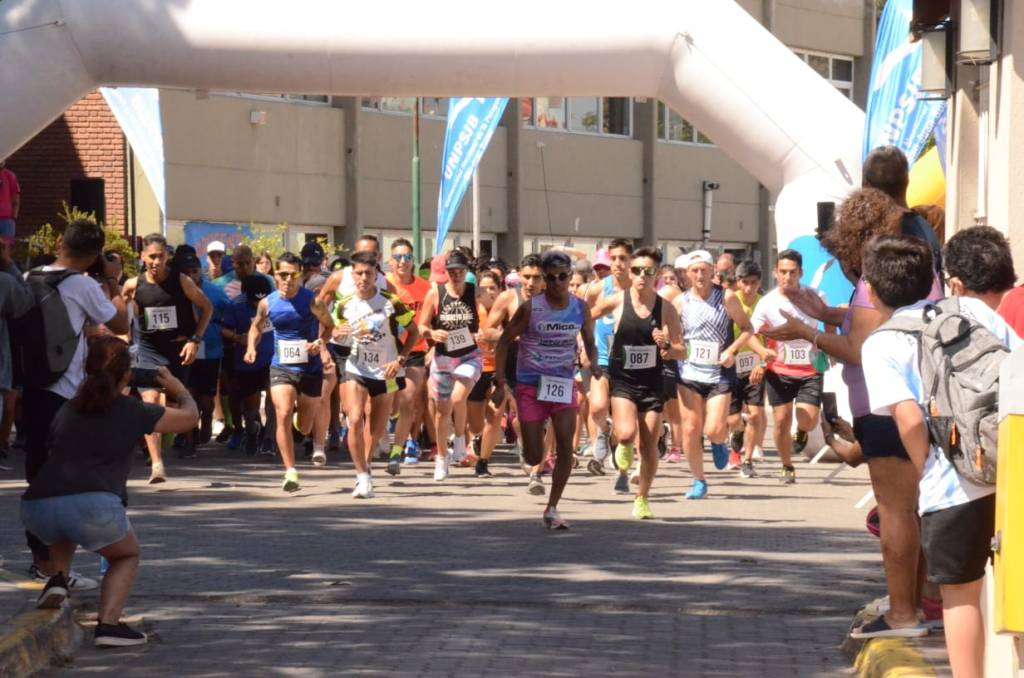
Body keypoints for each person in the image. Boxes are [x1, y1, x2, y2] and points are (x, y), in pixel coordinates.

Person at [762, 187, 938, 637]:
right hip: (910, 402)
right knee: (911, 513)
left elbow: (859, 348)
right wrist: (829, 313)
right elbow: (877, 322)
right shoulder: (916, 271)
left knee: (896, 513)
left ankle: (902, 613)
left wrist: (807, 330)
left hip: (885, 407)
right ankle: (909, 604)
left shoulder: (874, 277)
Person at [858, 234, 1021, 667]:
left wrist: (928, 467)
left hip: (953, 484)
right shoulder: (969, 309)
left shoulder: (881, 342)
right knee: (1018, 590)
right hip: (1011, 469)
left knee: (961, 595)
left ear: (871, 291)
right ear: (934, 280)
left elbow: (909, 420)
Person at [20, 336, 198, 647]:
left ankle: (58, 578)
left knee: (66, 523)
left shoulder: (68, 409)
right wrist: (177, 388)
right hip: (94, 506)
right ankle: (109, 625)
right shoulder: (133, 409)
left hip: (37, 507)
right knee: (127, 555)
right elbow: (190, 418)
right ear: (127, 374)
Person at [21, 220, 129, 589]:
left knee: (36, 473)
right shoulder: (82, 283)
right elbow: (120, 320)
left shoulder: (28, 276)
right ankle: (59, 569)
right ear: (94, 255)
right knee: (67, 480)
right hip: (66, 392)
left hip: (31, 386)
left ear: (58, 242)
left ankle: (43, 562)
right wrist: (112, 279)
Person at [493, 251, 598, 529]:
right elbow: (503, 342)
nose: (557, 282)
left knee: (565, 443)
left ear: (571, 276)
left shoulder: (580, 308)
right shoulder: (531, 308)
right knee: (534, 456)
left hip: (562, 384)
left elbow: (590, 341)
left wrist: (594, 363)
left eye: (563, 276)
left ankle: (552, 506)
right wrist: (500, 381)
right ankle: (526, 445)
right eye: (550, 278)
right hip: (530, 385)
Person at [592, 247, 684, 518]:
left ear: (656, 275)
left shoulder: (665, 308)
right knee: (625, 433)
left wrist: (666, 345)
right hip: (623, 380)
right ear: (629, 273)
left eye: (648, 271)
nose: (642, 276)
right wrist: (583, 345)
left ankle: (642, 498)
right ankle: (621, 445)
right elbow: (586, 317)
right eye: (637, 270)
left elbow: (682, 350)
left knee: (649, 444)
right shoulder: (617, 301)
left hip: (652, 382)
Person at [664, 250, 754, 499]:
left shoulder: (726, 297)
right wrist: (666, 344)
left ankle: (717, 440)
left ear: (713, 271)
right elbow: (669, 332)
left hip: (719, 372)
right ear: (688, 274)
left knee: (713, 428)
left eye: (704, 270)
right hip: (689, 372)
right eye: (695, 271)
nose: (700, 275)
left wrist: (733, 349)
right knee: (691, 429)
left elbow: (748, 328)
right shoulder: (681, 302)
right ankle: (698, 480)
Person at [123, 234, 212, 483]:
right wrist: (122, 337)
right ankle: (157, 465)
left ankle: (187, 440)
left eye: (160, 257)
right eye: (151, 256)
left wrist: (195, 340)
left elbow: (207, 308)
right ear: (142, 257)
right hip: (148, 351)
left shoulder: (181, 281)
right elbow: (119, 312)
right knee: (151, 400)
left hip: (177, 349)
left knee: (175, 404)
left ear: (168, 257)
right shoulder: (133, 285)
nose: (155, 262)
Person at [333, 251, 418, 496]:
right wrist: (336, 335)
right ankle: (360, 475)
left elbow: (413, 331)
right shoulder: (344, 303)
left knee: (377, 428)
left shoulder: (391, 301)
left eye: (368, 273)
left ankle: (367, 466)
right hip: (355, 367)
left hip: (385, 370)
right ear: (352, 274)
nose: (363, 278)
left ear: (376, 275)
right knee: (356, 418)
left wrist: (401, 359)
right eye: (359, 273)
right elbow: (336, 331)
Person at [247, 252, 333, 491]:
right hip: (281, 366)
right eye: (283, 274)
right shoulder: (268, 303)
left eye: (292, 274)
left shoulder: (312, 301)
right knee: (282, 413)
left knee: (304, 426)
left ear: (299, 274)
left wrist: (319, 343)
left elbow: (330, 327)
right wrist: (251, 348)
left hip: (310, 368)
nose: (288, 279)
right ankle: (290, 471)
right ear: (275, 275)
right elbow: (255, 327)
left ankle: (302, 423)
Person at [749, 250, 825, 483]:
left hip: (810, 369)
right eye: (783, 272)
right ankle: (787, 465)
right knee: (781, 420)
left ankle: (802, 431)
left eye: (792, 272)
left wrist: (829, 348)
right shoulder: (767, 303)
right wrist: (762, 352)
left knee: (809, 419)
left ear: (801, 273)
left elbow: (829, 322)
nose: (787, 277)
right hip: (779, 371)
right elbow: (750, 334)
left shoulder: (814, 296)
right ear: (775, 272)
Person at [418, 250, 483, 481]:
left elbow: (490, 313)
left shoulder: (475, 292)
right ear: (446, 273)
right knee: (442, 411)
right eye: (451, 272)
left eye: (460, 272)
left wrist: (485, 331)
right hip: (443, 357)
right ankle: (442, 458)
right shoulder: (436, 293)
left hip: (469, 355)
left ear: (466, 273)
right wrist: (432, 333)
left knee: (458, 397)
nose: (455, 276)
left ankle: (460, 439)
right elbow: (422, 325)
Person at [481, 254, 545, 488]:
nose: (531, 283)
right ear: (519, 276)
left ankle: (535, 473)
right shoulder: (508, 298)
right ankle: (484, 459)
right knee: (505, 415)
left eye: (537, 278)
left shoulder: (555, 301)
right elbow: (487, 332)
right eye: (527, 277)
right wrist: (512, 336)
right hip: (512, 369)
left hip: (544, 369)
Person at [584, 238, 633, 470]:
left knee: (626, 420)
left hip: (629, 360)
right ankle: (603, 431)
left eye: (623, 258)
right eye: (613, 258)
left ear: (631, 260)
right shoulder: (597, 289)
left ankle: (616, 443)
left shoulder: (638, 288)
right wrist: (585, 347)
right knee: (596, 406)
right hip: (602, 356)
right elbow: (585, 320)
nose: (617, 263)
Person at [177, 252, 231, 457]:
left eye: (194, 271)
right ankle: (189, 438)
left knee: (206, 398)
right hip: (183, 348)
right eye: (186, 272)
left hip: (210, 348)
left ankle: (207, 418)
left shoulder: (215, 292)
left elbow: (230, 314)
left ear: (201, 271)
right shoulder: (176, 291)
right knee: (187, 394)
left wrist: (223, 330)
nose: (191, 276)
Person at [386, 238, 431, 467]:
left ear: (413, 261)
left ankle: (399, 448)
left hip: (414, 350)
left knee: (409, 399)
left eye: (407, 257)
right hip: (386, 352)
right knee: (386, 404)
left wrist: (432, 346)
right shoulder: (383, 285)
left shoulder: (425, 287)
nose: (402, 262)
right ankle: (384, 430)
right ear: (389, 261)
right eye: (397, 257)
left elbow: (433, 318)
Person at [221, 275, 274, 456]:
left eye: (262, 300)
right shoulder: (235, 306)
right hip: (248, 361)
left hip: (273, 358)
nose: (258, 305)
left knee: (274, 396)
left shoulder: (275, 301)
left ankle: (269, 438)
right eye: (253, 301)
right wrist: (237, 338)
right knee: (251, 403)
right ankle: (252, 430)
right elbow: (223, 329)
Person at [728, 260, 768, 476]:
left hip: (756, 366)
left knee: (754, 414)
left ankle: (748, 459)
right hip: (731, 366)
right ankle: (737, 433)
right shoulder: (731, 302)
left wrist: (762, 363)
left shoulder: (764, 303)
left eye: (753, 282)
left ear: (759, 282)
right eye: (744, 282)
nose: (749, 287)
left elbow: (769, 340)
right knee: (733, 419)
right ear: (737, 282)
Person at [466, 270, 503, 477]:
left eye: (493, 288)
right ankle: (477, 438)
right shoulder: (472, 311)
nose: (488, 292)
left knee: (495, 415)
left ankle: (484, 461)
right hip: (476, 367)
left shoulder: (507, 311)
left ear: (499, 290)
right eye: (484, 288)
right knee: (476, 422)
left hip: (499, 369)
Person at [0, 158, 20, 249]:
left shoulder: (9, 175)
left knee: (6, 249)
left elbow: (16, 196)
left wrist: (13, 217)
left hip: (7, 220)